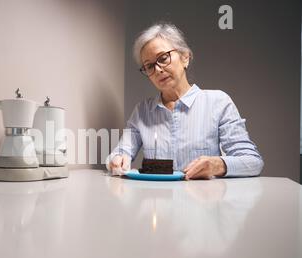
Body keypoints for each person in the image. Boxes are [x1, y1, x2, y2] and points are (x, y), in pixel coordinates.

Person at [106, 23, 264, 179]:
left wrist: (218, 165)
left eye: (163, 58)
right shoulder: (142, 111)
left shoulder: (218, 102)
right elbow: (120, 153)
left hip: (203, 202)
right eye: (149, 66)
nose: (158, 69)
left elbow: (252, 161)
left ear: (185, 57)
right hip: (157, 202)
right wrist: (117, 161)